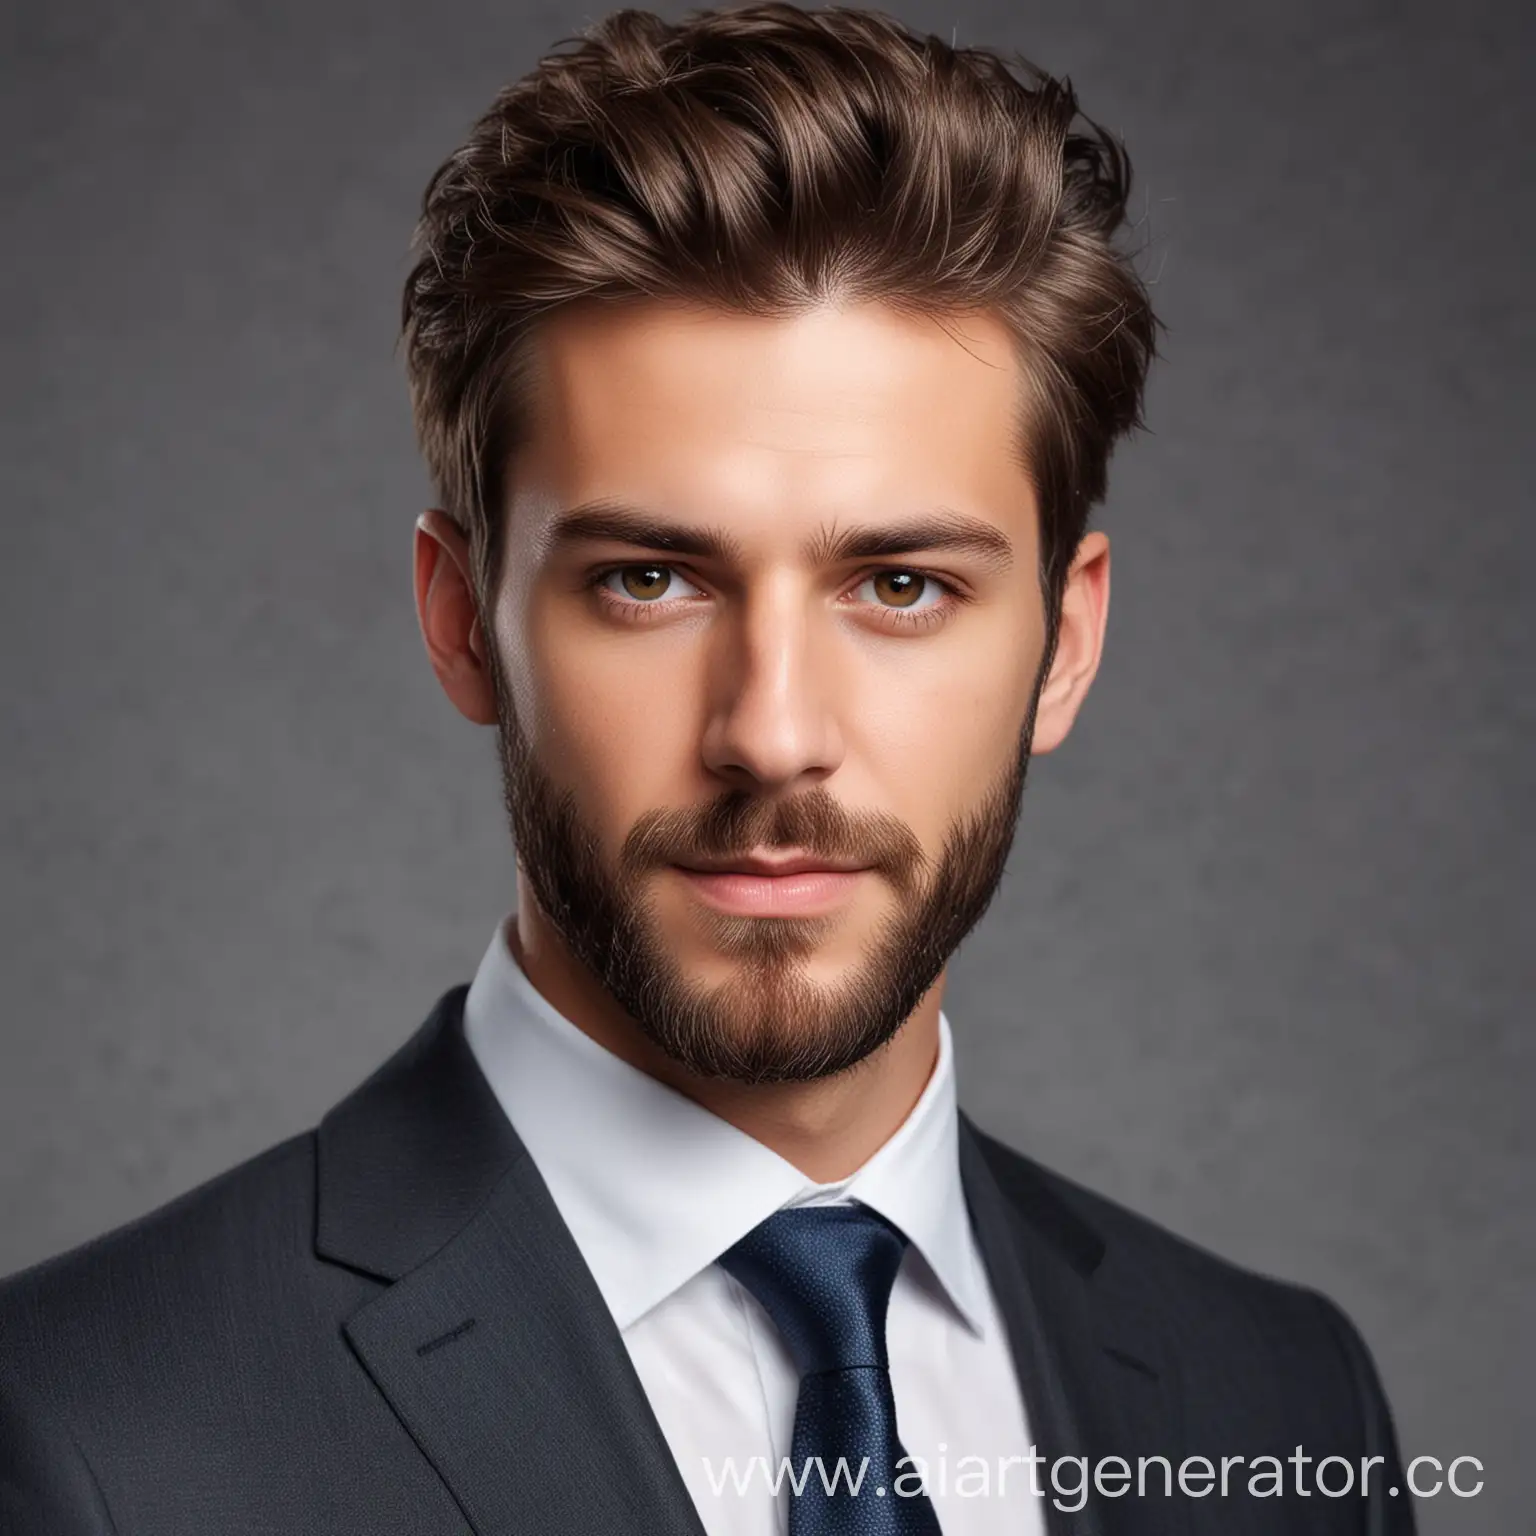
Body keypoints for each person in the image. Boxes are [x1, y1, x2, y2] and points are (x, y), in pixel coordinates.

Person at [0, 5, 1413, 1533]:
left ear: (1064, 644)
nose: (772, 729)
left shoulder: (1280, 1402)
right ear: (462, 621)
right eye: (651, 582)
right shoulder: (85, 1436)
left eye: (901, 586)